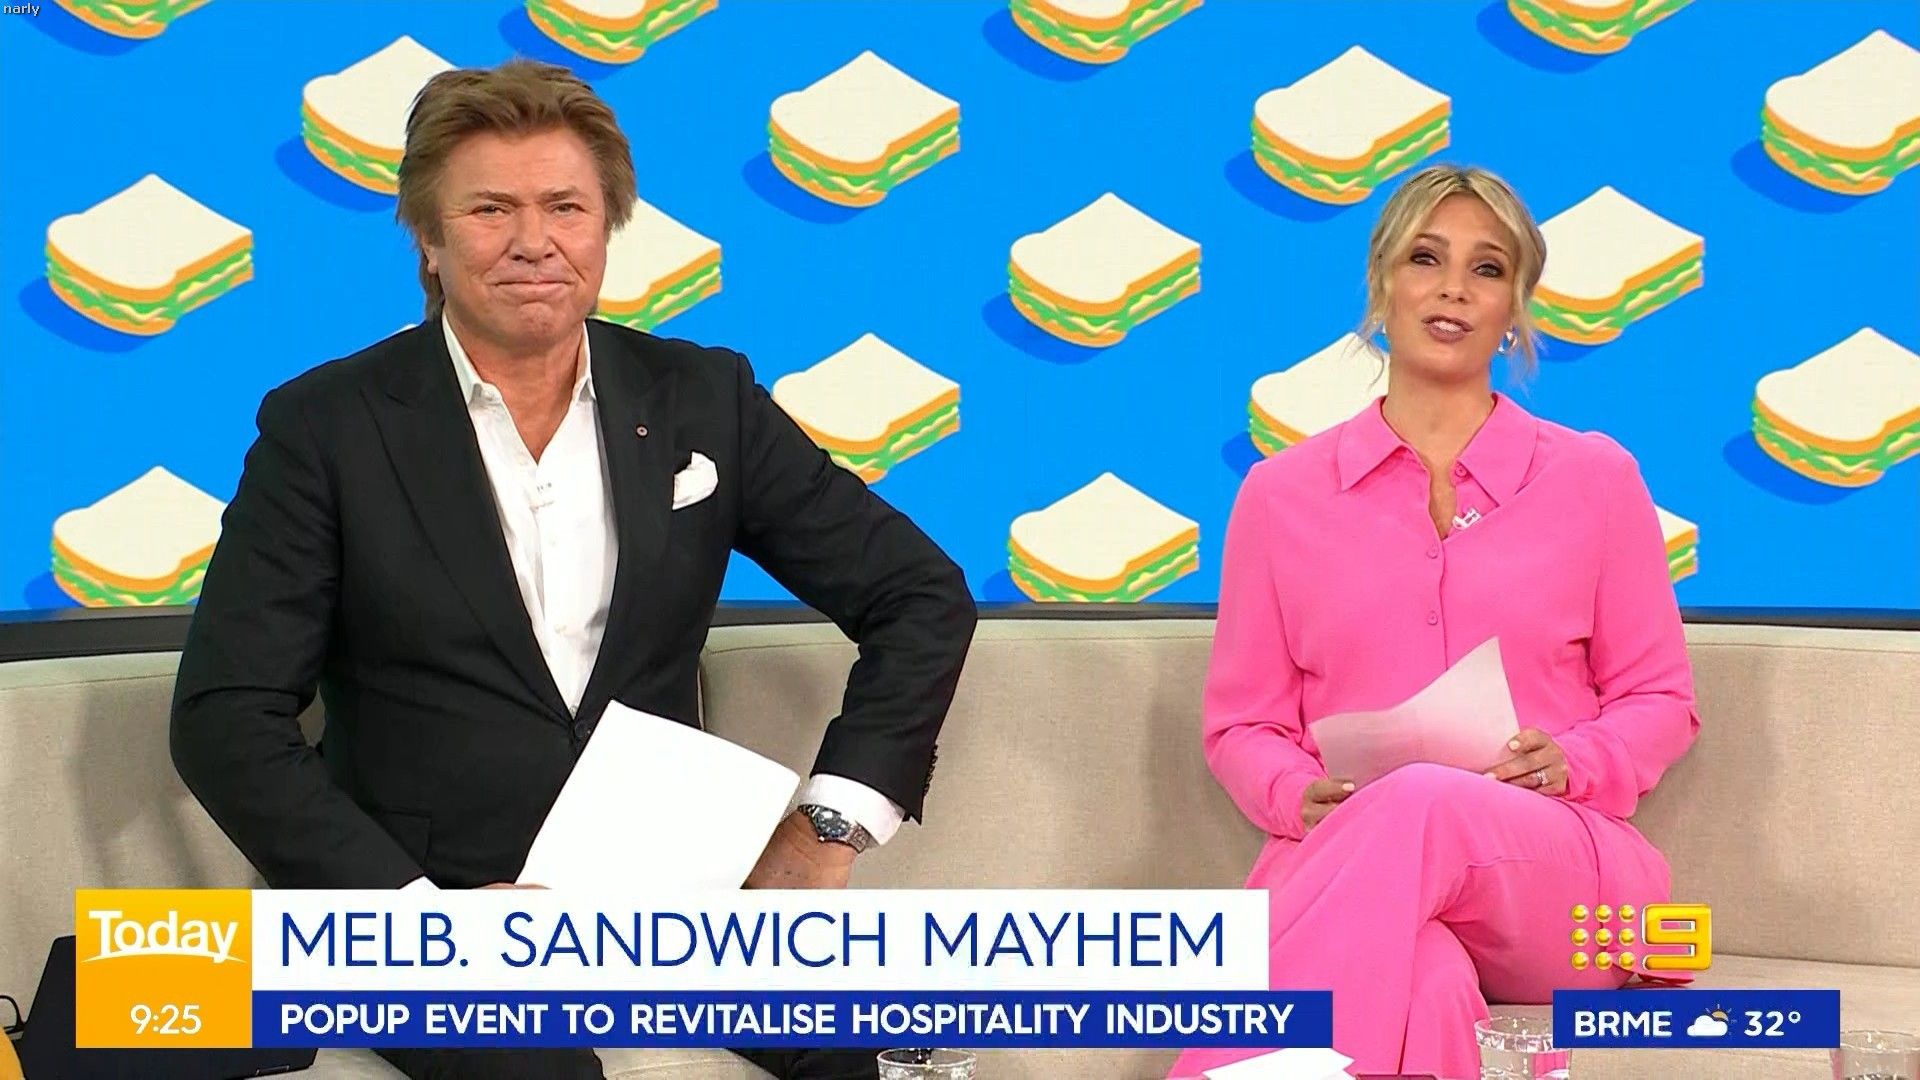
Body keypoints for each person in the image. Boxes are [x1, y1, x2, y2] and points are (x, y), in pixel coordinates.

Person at [170, 58, 976, 1080]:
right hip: (434, 907)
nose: (533, 241)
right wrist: (415, 921)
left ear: (606, 227)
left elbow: (919, 595)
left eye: (565, 207)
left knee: (889, 1058)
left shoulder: (702, 399)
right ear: (427, 239)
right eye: (490, 210)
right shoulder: (326, 427)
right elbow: (225, 718)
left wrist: (828, 827)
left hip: (673, 900)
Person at [1167, 164, 1699, 1079]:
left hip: (1565, 885)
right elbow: (1241, 725)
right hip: (1360, 866)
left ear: (1515, 308)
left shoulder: (1595, 480)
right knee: (1422, 982)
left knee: (1421, 799)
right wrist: (1297, 793)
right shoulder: (1279, 496)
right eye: (1426, 258)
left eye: (1487, 268)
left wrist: (1574, 760)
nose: (1454, 287)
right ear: (1382, 283)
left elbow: (1661, 701)